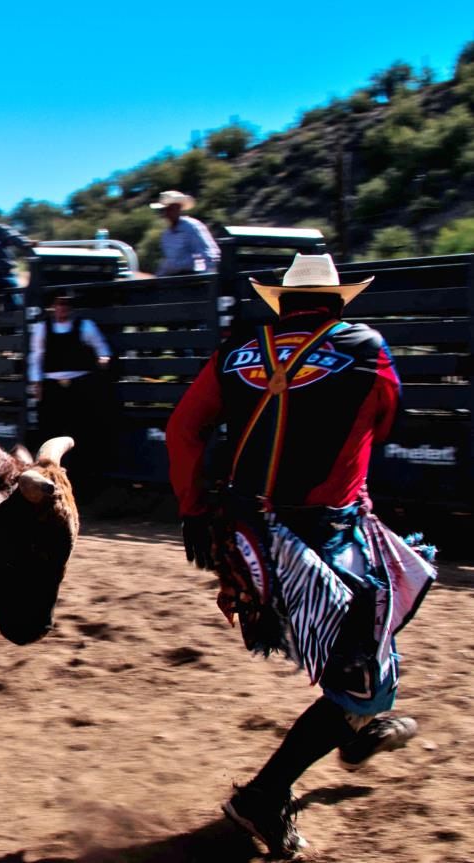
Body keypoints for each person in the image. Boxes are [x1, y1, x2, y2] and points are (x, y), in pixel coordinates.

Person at [166, 253, 435, 858]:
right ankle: (268, 792)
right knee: (367, 648)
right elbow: (387, 417)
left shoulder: (238, 349)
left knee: (373, 627)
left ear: (281, 303)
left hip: (248, 534)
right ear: (337, 302)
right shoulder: (365, 347)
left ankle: (357, 724)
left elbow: (185, 426)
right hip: (320, 536)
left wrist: (191, 507)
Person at [27, 291, 112, 479]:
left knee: (81, 431)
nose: (61, 308)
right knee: (49, 431)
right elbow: (36, 357)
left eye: (65, 304)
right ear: (53, 306)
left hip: (79, 387)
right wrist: (36, 383)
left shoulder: (85, 326)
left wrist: (103, 358)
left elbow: (102, 347)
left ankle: (81, 475)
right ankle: (48, 474)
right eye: (58, 304)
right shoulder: (42, 329)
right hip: (52, 388)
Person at [152, 190, 220, 276]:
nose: (167, 213)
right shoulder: (167, 235)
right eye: (165, 210)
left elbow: (209, 253)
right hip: (176, 279)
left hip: (193, 277)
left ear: (178, 209)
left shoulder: (192, 226)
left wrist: (208, 279)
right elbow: (171, 262)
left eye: (170, 209)